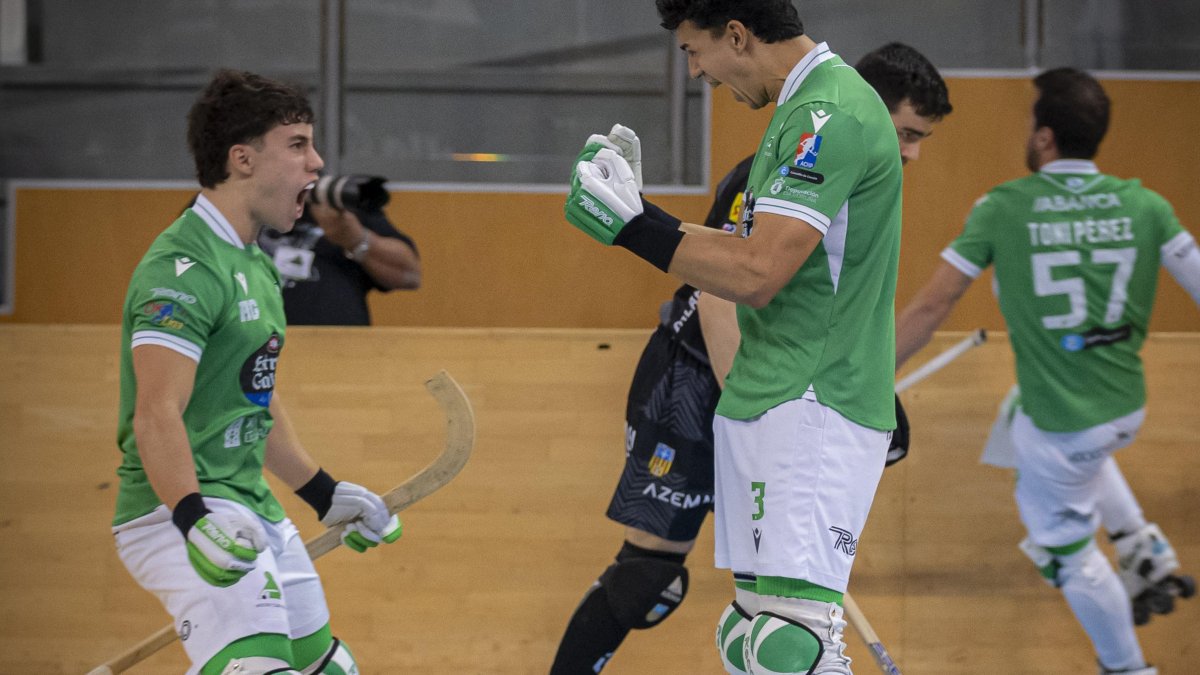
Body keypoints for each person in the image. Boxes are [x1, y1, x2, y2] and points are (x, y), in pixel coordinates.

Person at [549, 40, 953, 674]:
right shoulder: (795, 158)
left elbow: (830, 306)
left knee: (763, 632)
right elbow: (720, 296)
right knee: (649, 579)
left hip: (774, 385)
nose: (911, 151)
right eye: (904, 131)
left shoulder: (846, 166)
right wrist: (768, 414)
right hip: (696, 375)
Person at [895, 67, 1200, 675]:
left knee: (1068, 552)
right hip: (1123, 406)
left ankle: (1127, 667)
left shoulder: (1003, 208)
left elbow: (934, 304)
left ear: (1045, 137)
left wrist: (873, 377)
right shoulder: (1147, 205)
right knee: (1021, 414)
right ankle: (1141, 545)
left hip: (1066, 429)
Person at [111, 69, 402, 675]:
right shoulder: (183, 269)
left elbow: (252, 401)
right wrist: (193, 520)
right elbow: (156, 412)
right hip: (173, 511)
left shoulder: (254, 263)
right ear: (242, 159)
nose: (317, 163)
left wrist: (325, 494)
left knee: (331, 670)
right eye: (297, 145)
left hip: (250, 504)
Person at [257, 189, 421, 326]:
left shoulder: (337, 201)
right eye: (296, 148)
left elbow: (409, 275)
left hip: (341, 351)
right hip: (249, 346)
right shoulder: (239, 202)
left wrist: (355, 239)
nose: (313, 160)